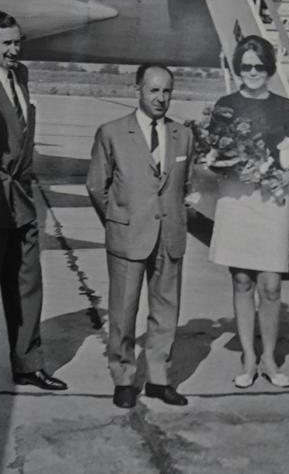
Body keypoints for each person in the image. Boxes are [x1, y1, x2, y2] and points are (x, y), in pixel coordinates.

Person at [0, 11, 66, 401]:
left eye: (18, 42)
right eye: (6, 43)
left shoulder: (21, 75)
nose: (15, 50)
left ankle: (28, 365)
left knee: (27, 288)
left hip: (23, 201)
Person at [86, 64, 197, 409]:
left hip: (170, 235)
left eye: (167, 91)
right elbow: (95, 185)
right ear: (138, 89)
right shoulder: (112, 132)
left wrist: (178, 215)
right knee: (123, 310)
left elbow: (187, 185)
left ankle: (159, 380)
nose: (161, 98)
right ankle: (123, 378)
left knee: (166, 310)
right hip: (128, 236)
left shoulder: (183, 135)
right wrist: (118, 220)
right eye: (154, 90)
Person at [207, 36, 289, 389]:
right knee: (241, 280)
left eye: (259, 66)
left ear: (269, 69)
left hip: (270, 201)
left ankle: (269, 358)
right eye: (246, 65)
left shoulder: (283, 107)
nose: (252, 72)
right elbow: (213, 157)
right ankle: (249, 358)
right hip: (236, 200)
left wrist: (284, 175)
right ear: (238, 67)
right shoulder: (225, 104)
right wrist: (231, 167)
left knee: (271, 285)